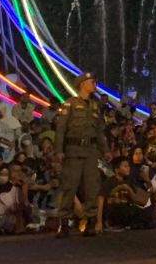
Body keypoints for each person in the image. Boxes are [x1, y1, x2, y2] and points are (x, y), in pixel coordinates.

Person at [54, 72, 109, 237]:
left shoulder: (94, 106)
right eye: (92, 82)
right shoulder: (69, 104)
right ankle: (64, 223)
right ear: (83, 84)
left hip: (91, 152)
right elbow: (61, 130)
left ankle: (91, 221)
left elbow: (99, 131)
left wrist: (105, 150)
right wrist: (59, 150)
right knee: (69, 187)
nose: (95, 85)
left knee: (92, 187)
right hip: (73, 152)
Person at [99, 156, 156, 230]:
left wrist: (146, 180)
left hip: (128, 210)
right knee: (124, 209)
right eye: (125, 166)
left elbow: (142, 200)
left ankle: (134, 225)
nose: (128, 168)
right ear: (116, 170)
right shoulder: (108, 183)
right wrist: (99, 222)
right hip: (114, 211)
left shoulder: (129, 181)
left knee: (148, 212)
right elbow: (100, 201)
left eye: (128, 166)